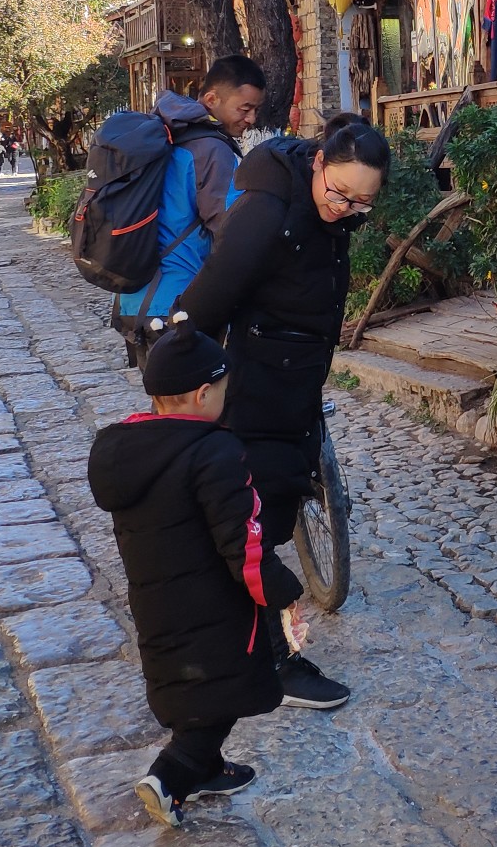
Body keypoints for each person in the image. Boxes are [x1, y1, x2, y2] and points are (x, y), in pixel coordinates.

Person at [162, 112, 389, 711]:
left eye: (362, 204)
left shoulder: (329, 208)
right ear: (317, 163)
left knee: (271, 518)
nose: (346, 210)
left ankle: (241, 651)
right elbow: (211, 293)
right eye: (339, 194)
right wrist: (180, 361)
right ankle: (272, 664)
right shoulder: (266, 215)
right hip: (256, 386)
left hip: (294, 383)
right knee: (253, 530)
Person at [87, 324, 303, 825]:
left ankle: (205, 769)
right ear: (204, 394)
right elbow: (243, 542)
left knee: (191, 686)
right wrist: (282, 594)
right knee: (223, 690)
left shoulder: (133, 449)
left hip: (156, 600)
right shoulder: (215, 453)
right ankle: (172, 775)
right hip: (212, 601)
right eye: (223, 392)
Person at [115, 56, 267, 368]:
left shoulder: (166, 134)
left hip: (136, 299)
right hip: (182, 304)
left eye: (255, 109)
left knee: (168, 409)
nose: (251, 118)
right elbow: (232, 227)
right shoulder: (212, 150)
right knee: (194, 411)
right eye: (245, 108)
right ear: (212, 99)